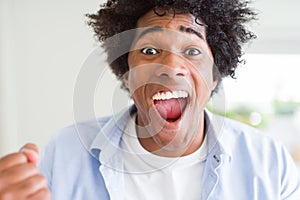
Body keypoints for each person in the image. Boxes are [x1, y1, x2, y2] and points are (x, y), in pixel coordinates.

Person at [1, 0, 300, 199]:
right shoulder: (63, 154)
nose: (170, 67)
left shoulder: (269, 162)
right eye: (149, 51)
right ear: (127, 74)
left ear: (215, 76)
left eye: (193, 51)